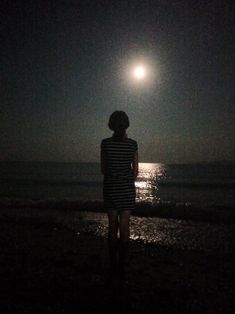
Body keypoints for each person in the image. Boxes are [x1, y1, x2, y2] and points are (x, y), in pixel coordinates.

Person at [101, 111, 138, 278]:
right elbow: (135, 171)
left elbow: (103, 168)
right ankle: (122, 265)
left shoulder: (105, 144)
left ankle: (112, 264)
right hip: (126, 189)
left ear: (111, 125)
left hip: (111, 187)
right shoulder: (132, 144)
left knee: (112, 225)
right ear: (126, 124)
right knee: (124, 225)